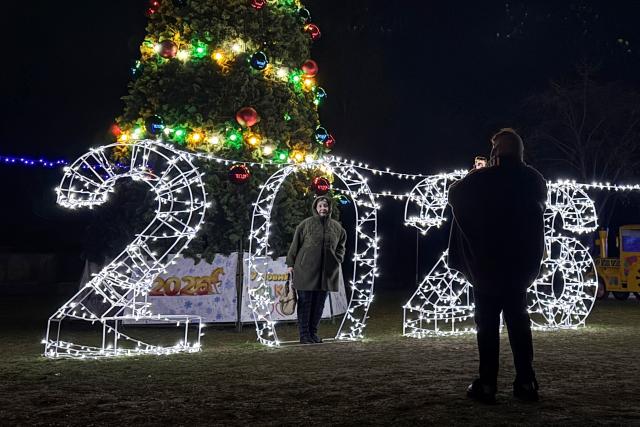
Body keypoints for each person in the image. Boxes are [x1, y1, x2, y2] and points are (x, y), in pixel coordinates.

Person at [447, 128, 547, 403]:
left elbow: (454, 195)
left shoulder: (482, 180)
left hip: (486, 268)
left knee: (487, 328)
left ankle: (488, 384)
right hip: (518, 269)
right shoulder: (533, 180)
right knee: (519, 325)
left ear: (495, 152)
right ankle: (526, 382)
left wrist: (477, 172)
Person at [286, 195, 347, 344]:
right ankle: (304, 335)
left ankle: (313, 334)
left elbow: (341, 247)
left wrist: (337, 259)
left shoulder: (337, 227)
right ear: (315, 208)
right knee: (305, 303)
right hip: (305, 270)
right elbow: (295, 245)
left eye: (325, 206)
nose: (323, 209)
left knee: (319, 304)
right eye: (320, 206)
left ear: (329, 208)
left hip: (326, 273)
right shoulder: (305, 225)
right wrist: (290, 264)